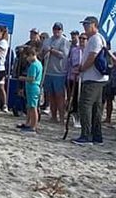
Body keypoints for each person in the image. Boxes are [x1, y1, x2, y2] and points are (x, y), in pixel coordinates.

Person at [74, 16, 109, 146]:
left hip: (93, 78)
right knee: (95, 107)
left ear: (94, 25)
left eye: (87, 24)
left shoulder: (95, 39)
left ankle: (86, 135)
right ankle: (96, 136)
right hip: (96, 78)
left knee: (85, 105)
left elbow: (92, 56)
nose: (85, 27)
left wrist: (82, 68)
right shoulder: (96, 39)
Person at [41, 22, 71, 124]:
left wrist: (52, 50)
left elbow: (63, 55)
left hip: (59, 72)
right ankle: (53, 116)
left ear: (62, 30)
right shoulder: (48, 40)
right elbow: (43, 52)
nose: (56, 31)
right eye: (55, 29)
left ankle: (62, 117)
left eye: (58, 29)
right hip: (48, 71)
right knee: (51, 95)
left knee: (60, 96)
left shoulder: (64, 41)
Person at [19, 46, 43, 132]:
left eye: (27, 57)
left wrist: (23, 78)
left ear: (32, 55)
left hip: (33, 87)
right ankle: (28, 123)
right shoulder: (38, 64)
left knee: (33, 107)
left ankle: (33, 126)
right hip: (31, 88)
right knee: (29, 106)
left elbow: (32, 78)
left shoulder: (34, 65)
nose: (27, 59)